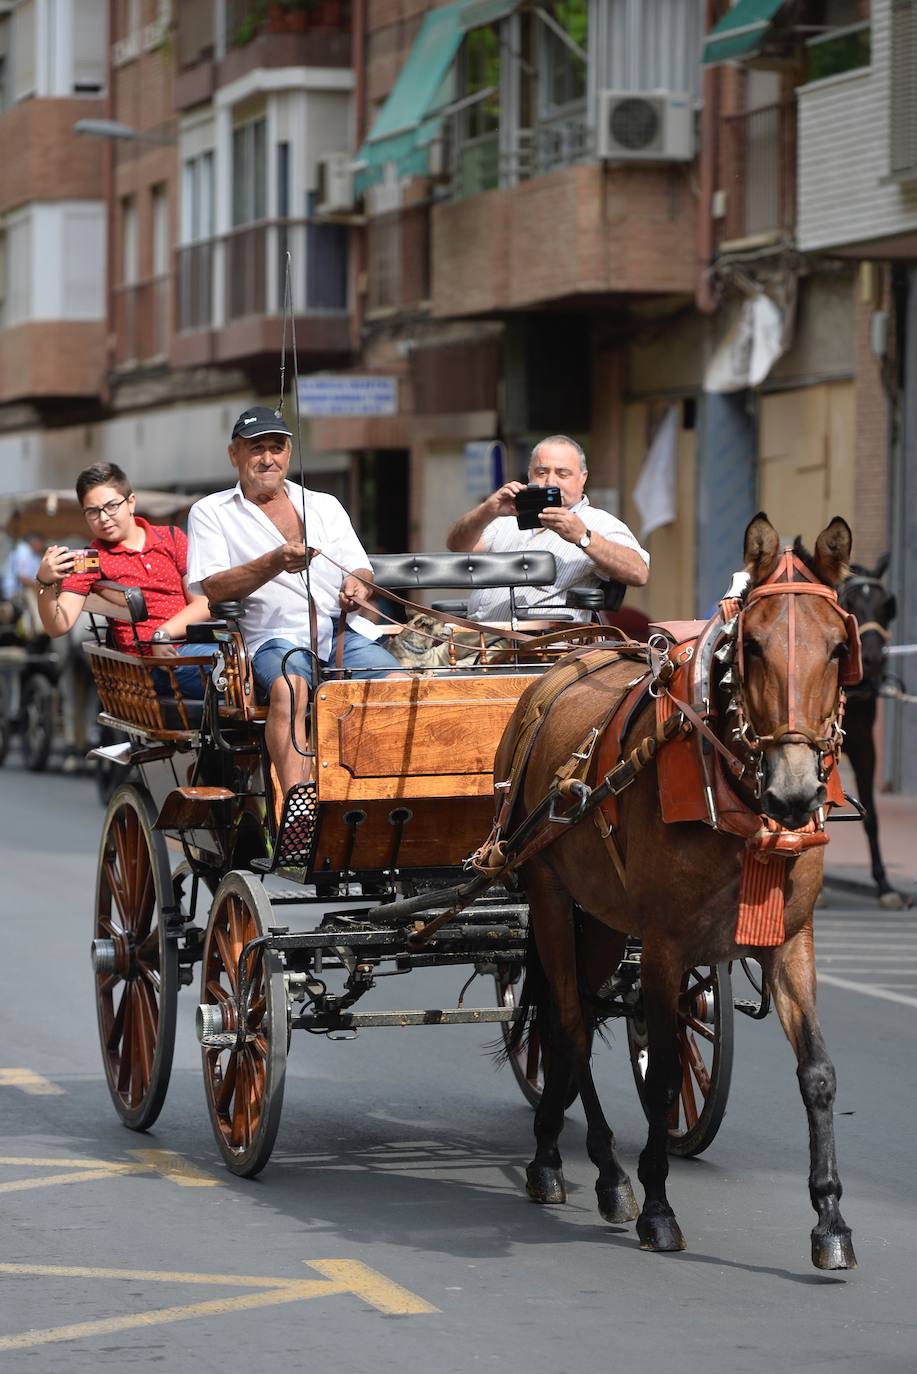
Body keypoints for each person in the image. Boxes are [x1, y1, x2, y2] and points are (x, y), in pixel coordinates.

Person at [186, 406, 399, 796]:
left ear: (288, 453)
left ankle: (377, 792)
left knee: (399, 685)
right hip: (271, 638)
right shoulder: (211, 512)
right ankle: (299, 803)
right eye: (256, 448)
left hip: (339, 633)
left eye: (277, 448)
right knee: (292, 687)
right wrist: (273, 562)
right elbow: (213, 587)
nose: (267, 458)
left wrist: (357, 585)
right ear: (234, 454)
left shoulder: (323, 504)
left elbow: (360, 567)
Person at [34, 462, 214, 699]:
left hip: (191, 649)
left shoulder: (172, 537)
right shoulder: (90, 560)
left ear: (131, 502)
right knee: (230, 674)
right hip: (149, 667)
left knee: (241, 665)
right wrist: (44, 581)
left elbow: (203, 603)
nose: (104, 518)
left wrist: (163, 633)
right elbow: (57, 626)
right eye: (93, 511)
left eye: (111, 506)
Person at [446, 435, 649, 621]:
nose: (551, 482)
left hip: (542, 642)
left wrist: (583, 537)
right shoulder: (508, 516)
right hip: (476, 636)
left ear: (582, 478)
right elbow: (457, 546)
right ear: (529, 475)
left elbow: (639, 573)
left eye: (563, 474)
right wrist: (487, 509)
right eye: (541, 472)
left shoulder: (598, 522)